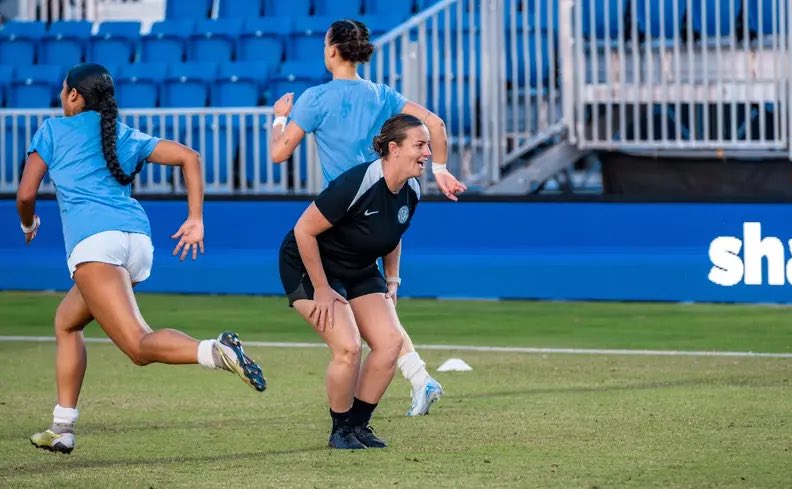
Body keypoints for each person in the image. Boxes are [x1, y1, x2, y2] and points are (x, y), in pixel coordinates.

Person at [16, 63, 267, 455]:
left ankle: (215, 351)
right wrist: (196, 219)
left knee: (137, 346)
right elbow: (189, 156)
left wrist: (29, 224)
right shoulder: (121, 133)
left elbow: (26, 195)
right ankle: (62, 427)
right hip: (136, 242)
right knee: (67, 322)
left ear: (73, 97)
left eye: (63, 91)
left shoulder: (51, 130)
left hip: (96, 246)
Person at [271, 19, 466, 417]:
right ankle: (417, 378)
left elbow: (278, 154)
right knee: (379, 315)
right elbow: (436, 123)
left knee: (364, 329)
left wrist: (278, 117)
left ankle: (408, 384)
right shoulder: (382, 95)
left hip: (341, 213)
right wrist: (441, 169)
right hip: (384, 202)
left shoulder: (314, 98)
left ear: (331, 51)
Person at [279, 114, 430, 449]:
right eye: (420, 145)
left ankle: (358, 427)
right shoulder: (359, 181)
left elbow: (393, 233)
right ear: (394, 148)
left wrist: (392, 279)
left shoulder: (413, 190)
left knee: (390, 343)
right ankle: (339, 430)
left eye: (428, 145)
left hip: (358, 266)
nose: (428, 152)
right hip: (309, 264)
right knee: (348, 347)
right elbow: (304, 230)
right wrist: (321, 288)